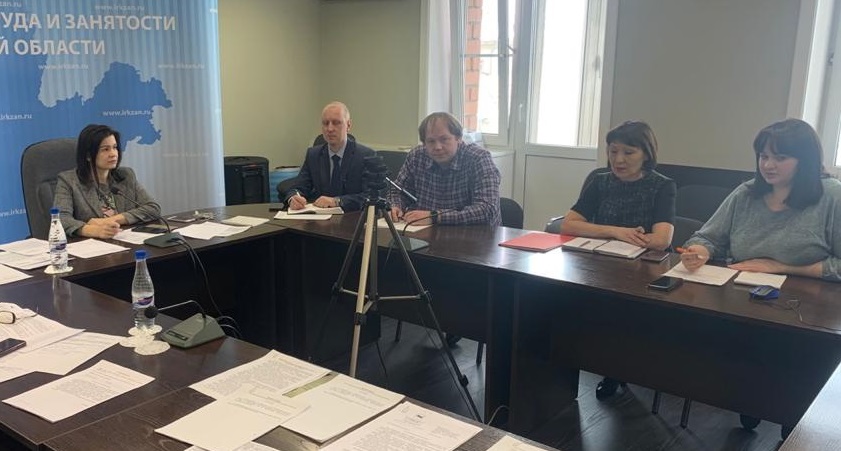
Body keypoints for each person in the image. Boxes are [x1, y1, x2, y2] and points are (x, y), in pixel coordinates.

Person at [559, 120, 676, 400]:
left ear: (646, 154)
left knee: (620, 318)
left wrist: (615, 235)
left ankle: (614, 370)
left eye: (628, 152)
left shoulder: (662, 185)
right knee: (562, 305)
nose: (618, 160)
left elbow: (661, 239)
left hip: (642, 273)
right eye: (613, 152)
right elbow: (569, 224)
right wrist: (616, 231)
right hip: (600, 265)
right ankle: (570, 365)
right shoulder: (600, 181)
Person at [681, 118, 841, 282]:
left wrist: (782, 267)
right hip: (742, 287)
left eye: (780, 158)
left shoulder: (833, 195)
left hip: (807, 293)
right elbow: (707, 238)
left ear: (805, 161)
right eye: (764, 156)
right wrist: (699, 252)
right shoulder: (746, 192)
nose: (768, 165)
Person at [388, 112, 501, 226]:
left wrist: (434, 217)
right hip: (424, 231)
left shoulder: (479, 158)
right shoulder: (416, 156)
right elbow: (397, 191)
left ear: (458, 138)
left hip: (474, 233)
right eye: (431, 141)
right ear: (424, 143)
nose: (438, 147)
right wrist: (396, 206)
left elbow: (487, 209)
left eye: (444, 139)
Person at [53, 124, 161, 239]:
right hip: (92, 246)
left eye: (115, 147)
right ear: (88, 155)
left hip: (124, 240)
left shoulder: (126, 176)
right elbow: (61, 219)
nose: (113, 154)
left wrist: (112, 219)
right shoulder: (69, 181)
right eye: (105, 149)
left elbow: (153, 208)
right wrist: (93, 230)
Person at [284, 102, 374, 212]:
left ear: (348, 125)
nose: (330, 129)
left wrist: (337, 201)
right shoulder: (313, 155)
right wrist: (293, 198)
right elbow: (298, 187)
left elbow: (371, 196)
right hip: (320, 218)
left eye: (336, 123)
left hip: (352, 218)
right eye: (325, 123)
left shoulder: (366, 156)